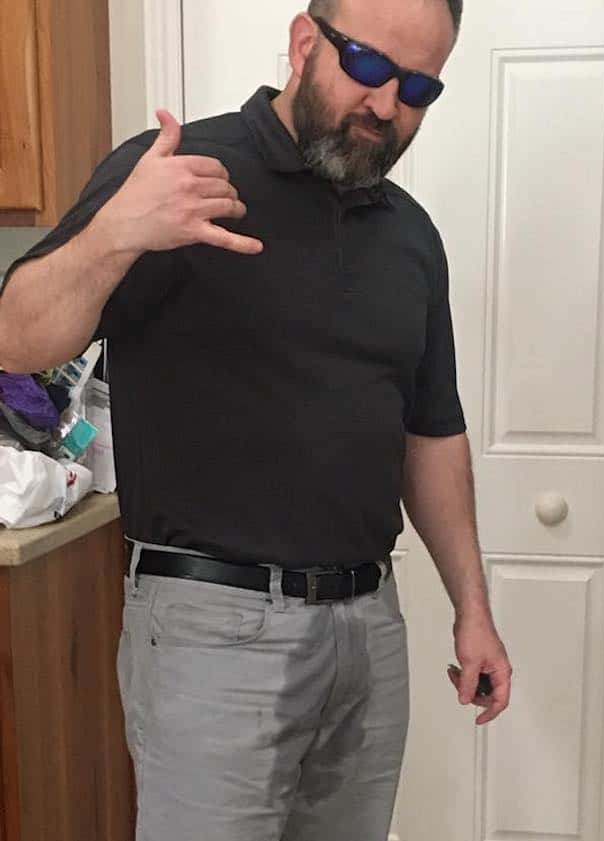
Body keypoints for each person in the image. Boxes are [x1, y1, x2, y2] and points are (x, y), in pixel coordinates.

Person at [0, 0, 512, 838]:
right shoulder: (176, 175)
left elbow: (431, 433)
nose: (387, 104)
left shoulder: (411, 238)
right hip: (212, 631)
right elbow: (16, 340)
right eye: (369, 67)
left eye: (418, 87)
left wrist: (473, 607)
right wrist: (115, 234)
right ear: (305, 43)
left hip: (368, 631)